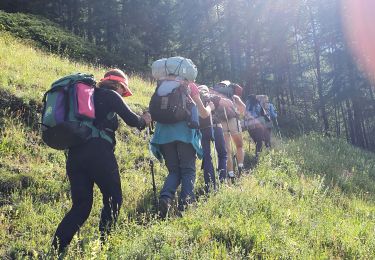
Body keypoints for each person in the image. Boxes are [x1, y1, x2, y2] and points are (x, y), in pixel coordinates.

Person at [52, 69, 151, 253]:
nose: (124, 94)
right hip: (99, 154)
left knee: (81, 205)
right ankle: (105, 245)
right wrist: (145, 119)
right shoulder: (112, 95)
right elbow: (132, 120)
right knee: (114, 199)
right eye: (124, 90)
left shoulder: (86, 96)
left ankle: (57, 247)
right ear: (120, 85)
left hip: (75, 155)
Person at [150, 77, 215, 218]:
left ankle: (165, 198)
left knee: (174, 171)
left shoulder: (162, 86)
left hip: (163, 134)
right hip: (184, 134)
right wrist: (210, 107)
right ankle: (185, 206)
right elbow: (203, 113)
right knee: (188, 170)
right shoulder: (189, 85)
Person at [198, 85, 227, 193]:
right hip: (216, 127)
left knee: (207, 157)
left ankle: (210, 186)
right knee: (222, 154)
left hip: (202, 129)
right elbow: (225, 104)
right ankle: (222, 179)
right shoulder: (211, 96)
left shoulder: (196, 97)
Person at [215, 83, 246, 178]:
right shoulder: (233, 96)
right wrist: (238, 113)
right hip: (233, 121)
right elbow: (243, 107)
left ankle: (231, 173)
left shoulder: (217, 96)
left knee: (227, 150)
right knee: (239, 146)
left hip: (221, 122)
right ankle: (240, 166)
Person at [245, 94, 266, 159]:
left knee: (258, 139)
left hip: (254, 123)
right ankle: (257, 154)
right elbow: (247, 111)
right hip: (254, 122)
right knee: (257, 139)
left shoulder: (255, 104)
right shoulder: (253, 103)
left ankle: (257, 154)